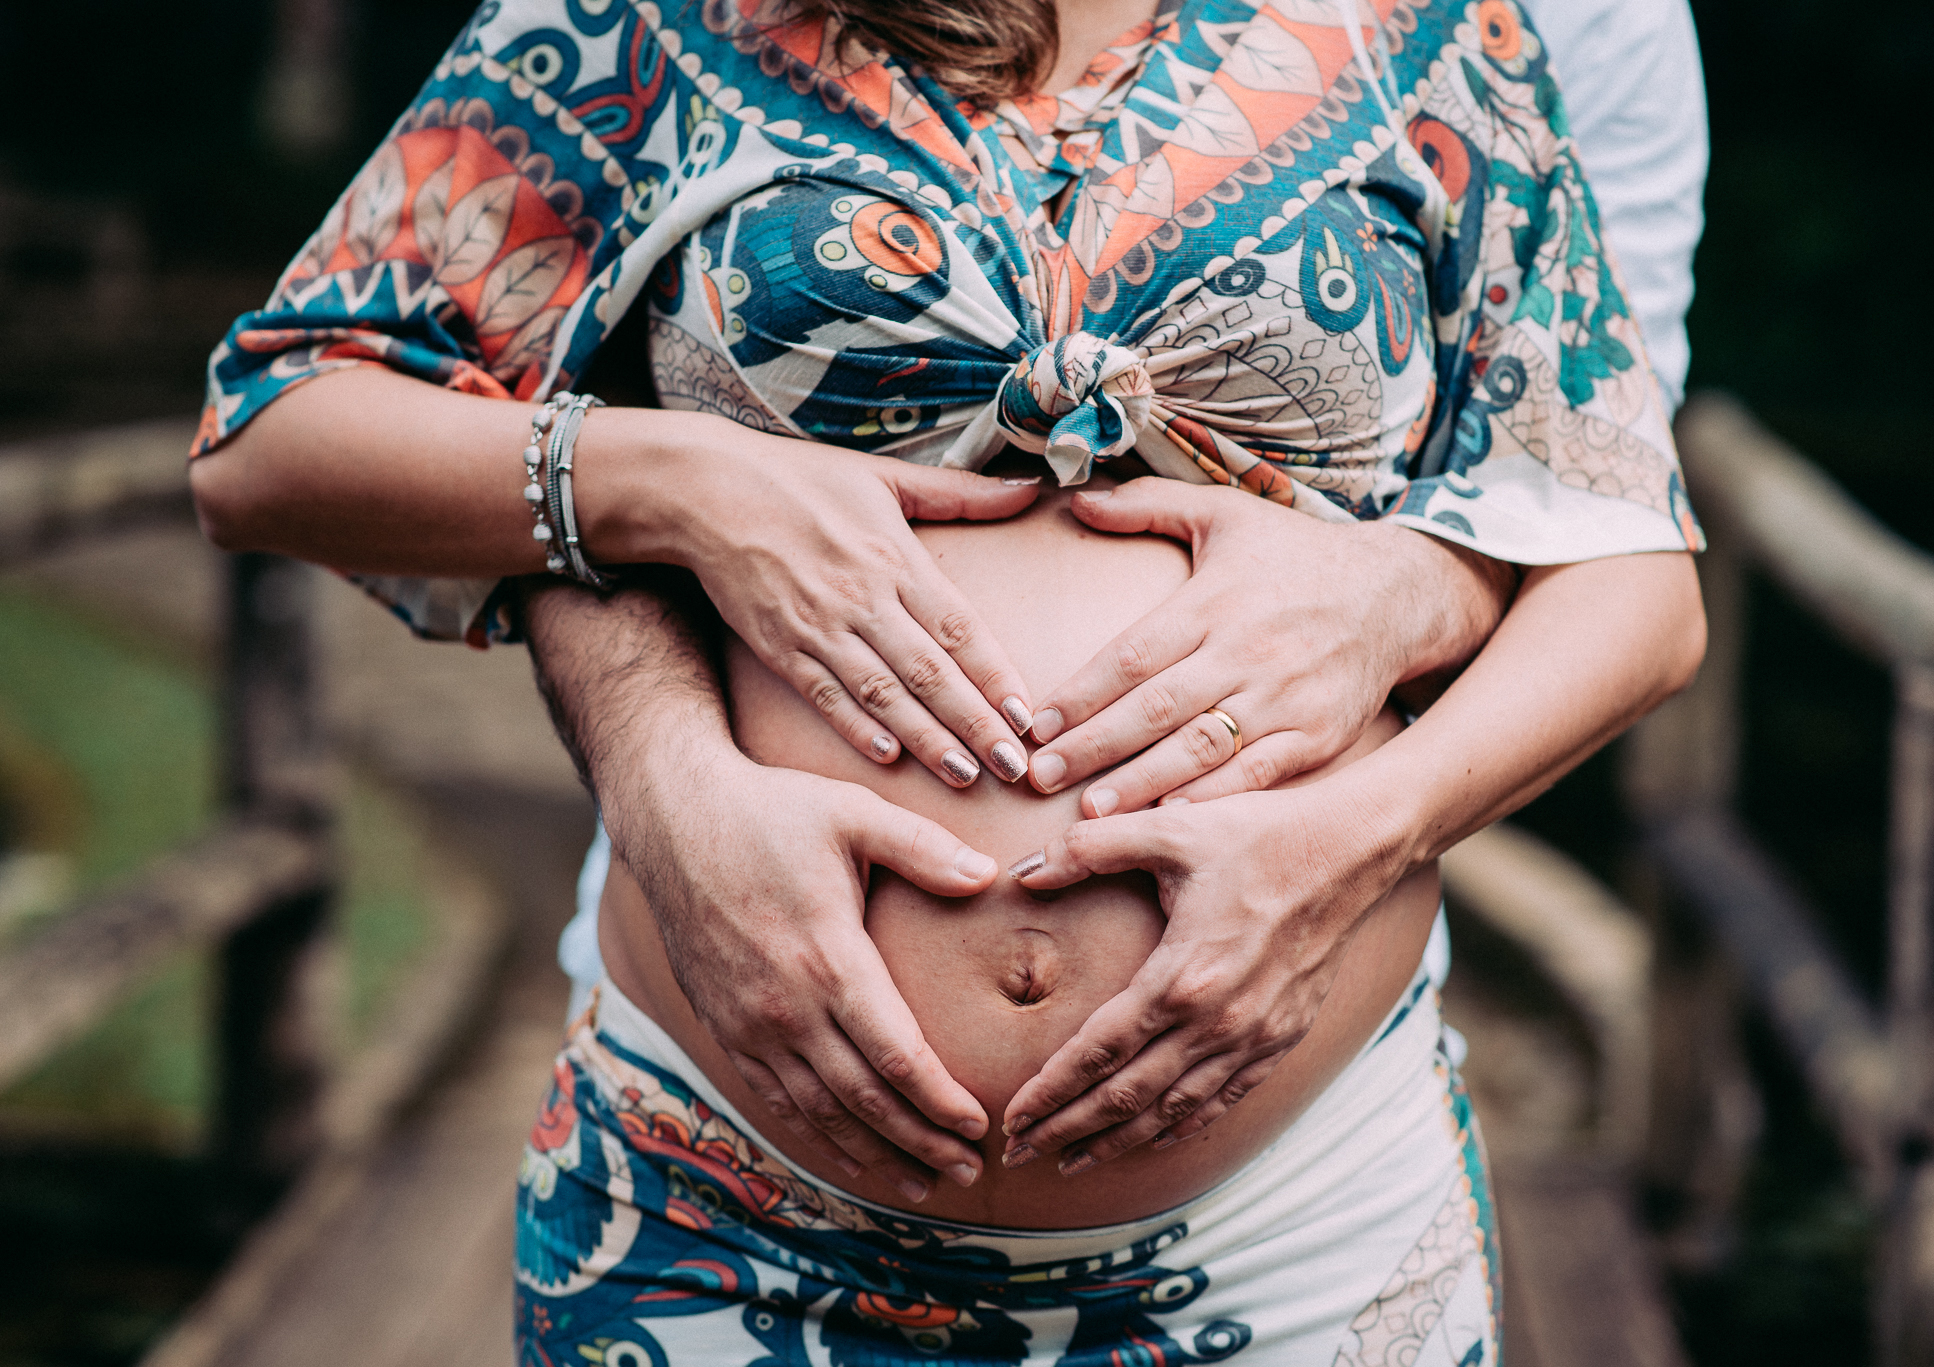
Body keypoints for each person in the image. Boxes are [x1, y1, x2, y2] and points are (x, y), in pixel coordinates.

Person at [187, 0, 1708, 1359]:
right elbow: (277, 428)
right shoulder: (654, 21)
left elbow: (1627, 569)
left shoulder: (1437, 35)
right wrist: (668, 478)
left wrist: (1347, 842)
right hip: (721, 1232)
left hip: (1303, 1230)